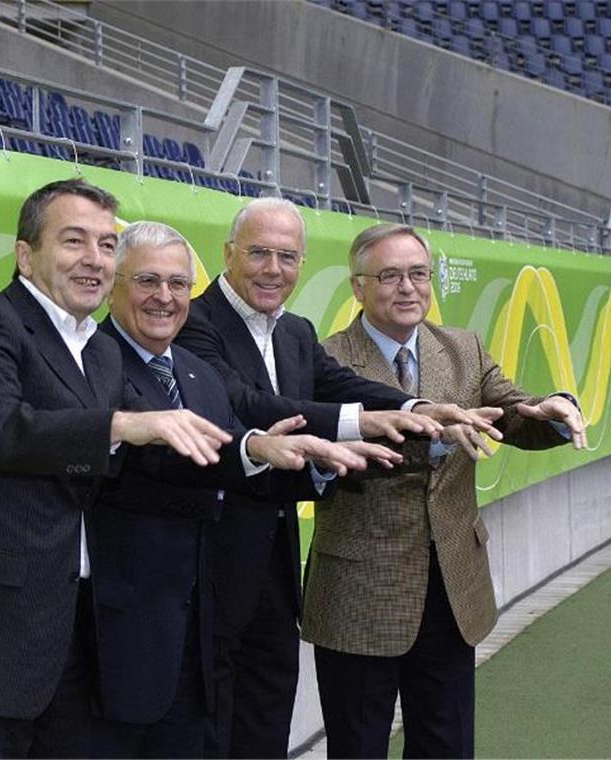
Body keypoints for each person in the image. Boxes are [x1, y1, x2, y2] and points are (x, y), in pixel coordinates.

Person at [0, 180, 233, 759]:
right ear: (26, 254)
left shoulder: (97, 348)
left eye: (104, 245)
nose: (94, 259)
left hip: (67, 645)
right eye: (74, 241)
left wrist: (254, 449)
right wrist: (117, 427)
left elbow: (159, 432)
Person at [175, 198, 495, 758]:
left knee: (265, 722)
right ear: (227, 255)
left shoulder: (294, 331)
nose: (274, 269)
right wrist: (366, 422)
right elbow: (247, 402)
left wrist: (417, 407)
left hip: (275, 571)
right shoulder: (193, 322)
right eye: (259, 253)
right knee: (208, 730)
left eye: (288, 256)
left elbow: (344, 385)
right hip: (207, 567)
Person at [90, 221, 401, 759]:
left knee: (253, 726)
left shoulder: (200, 366)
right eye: (146, 281)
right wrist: (272, 446)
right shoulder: (99, 360)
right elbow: (199, 445)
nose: (164, 298)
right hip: (139, 615)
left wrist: (331, 455)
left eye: (176, 285)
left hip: (235, 588)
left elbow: (237, 443)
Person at [303, 222, 587, 759]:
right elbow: (335, 456)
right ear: (357, 287)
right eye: (389, 275)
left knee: (446, 745)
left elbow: (512, 412)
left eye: (418, 274)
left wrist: (551, 408)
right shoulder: (325, 359)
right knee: (357, 745)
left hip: (452, 587)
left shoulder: (461, 348)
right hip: (362, 591)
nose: (408, 288)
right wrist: (433, 439)